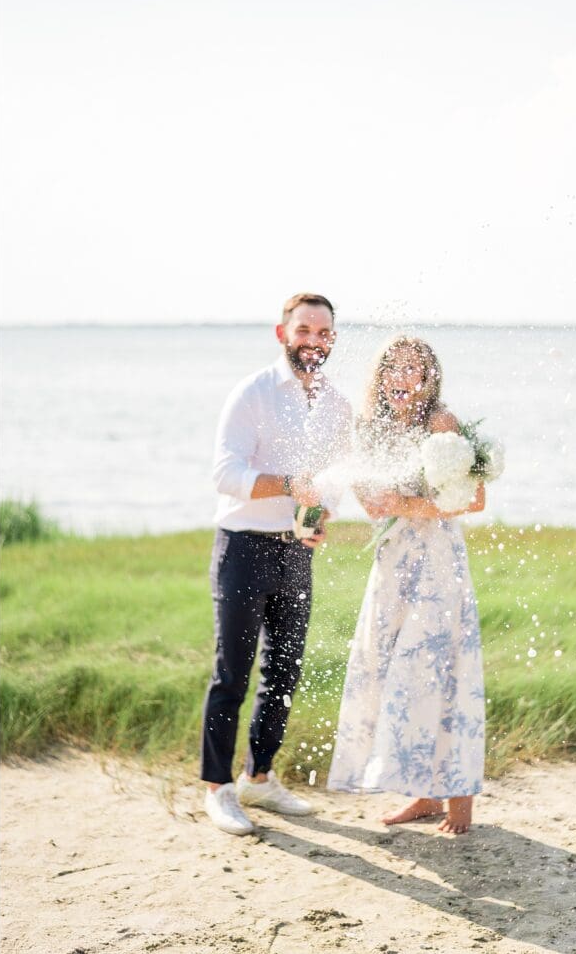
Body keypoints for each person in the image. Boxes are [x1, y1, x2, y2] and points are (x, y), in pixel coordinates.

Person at [201, 292, 352, 835]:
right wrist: (289, 484)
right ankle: (218, 789)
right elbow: (224, 474)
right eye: (304, 330)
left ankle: (258, 778)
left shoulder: (337, 405)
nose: (313, 340)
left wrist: (321, 514)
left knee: (284, 673)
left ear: (332, 340)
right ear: (282, 333)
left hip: (296, 551)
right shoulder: (253, 392)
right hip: (242, 546)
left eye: (323, 332)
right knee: (232, 675)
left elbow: (333, 479)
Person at [327, 335, 486, 834]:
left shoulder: (441, 423)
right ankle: (423, 796)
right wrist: (371, 496)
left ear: (428, 377)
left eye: (412, 368)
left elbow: (473, 500)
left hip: (437, 564)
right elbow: (370, 497)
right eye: (392, 367)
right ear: (381, 376)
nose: (402, 377)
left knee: (441, 669)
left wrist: (404, 505)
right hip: (393, 562)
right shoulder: (372, 429)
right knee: (394, 669)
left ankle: (460, 805)